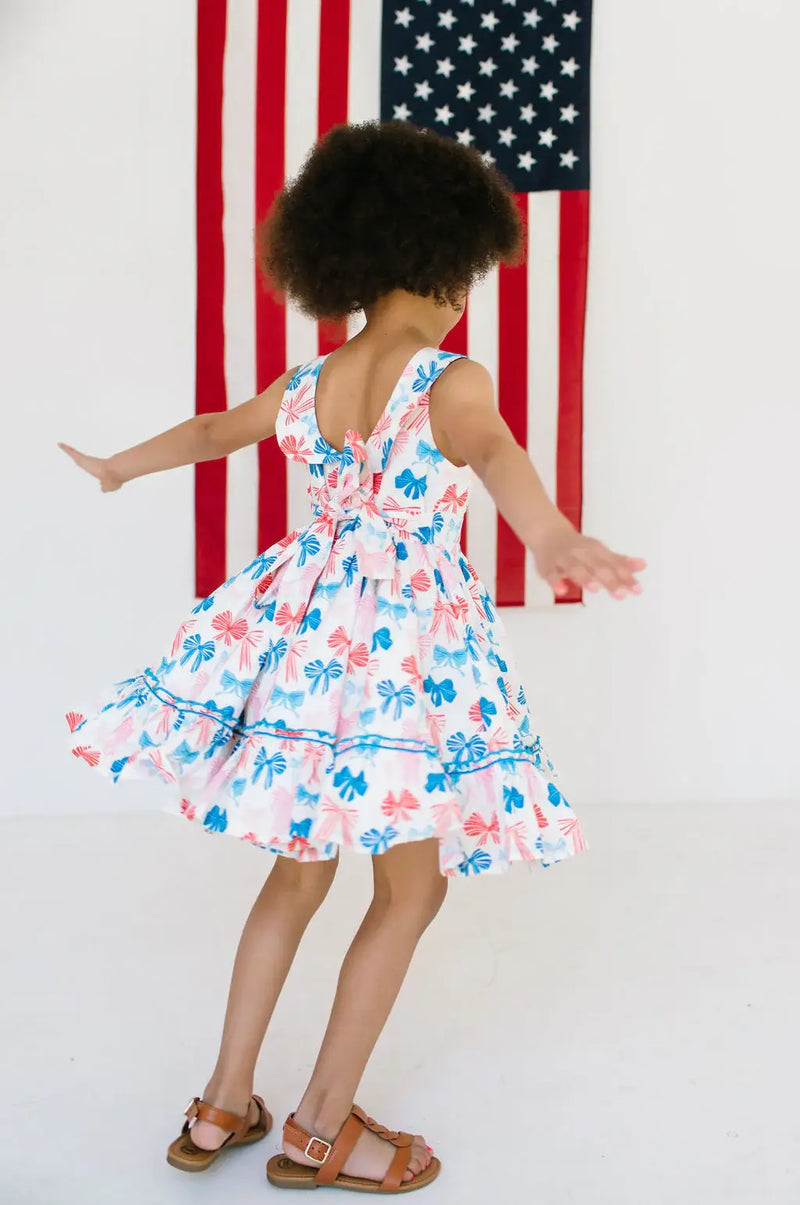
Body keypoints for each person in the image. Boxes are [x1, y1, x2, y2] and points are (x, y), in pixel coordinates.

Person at [59, 121, 646, 1195]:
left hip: (304, 649)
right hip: (398, 666)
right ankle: (322, 1126)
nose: (468, 294)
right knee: (409, 890)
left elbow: (209, 432)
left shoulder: (314, 379)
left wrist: (118, 467)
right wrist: (552, 534)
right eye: (469, 273)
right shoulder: (449, 377)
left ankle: (220, 1102)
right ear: (441, 263)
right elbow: (495, 452)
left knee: (296, 872)